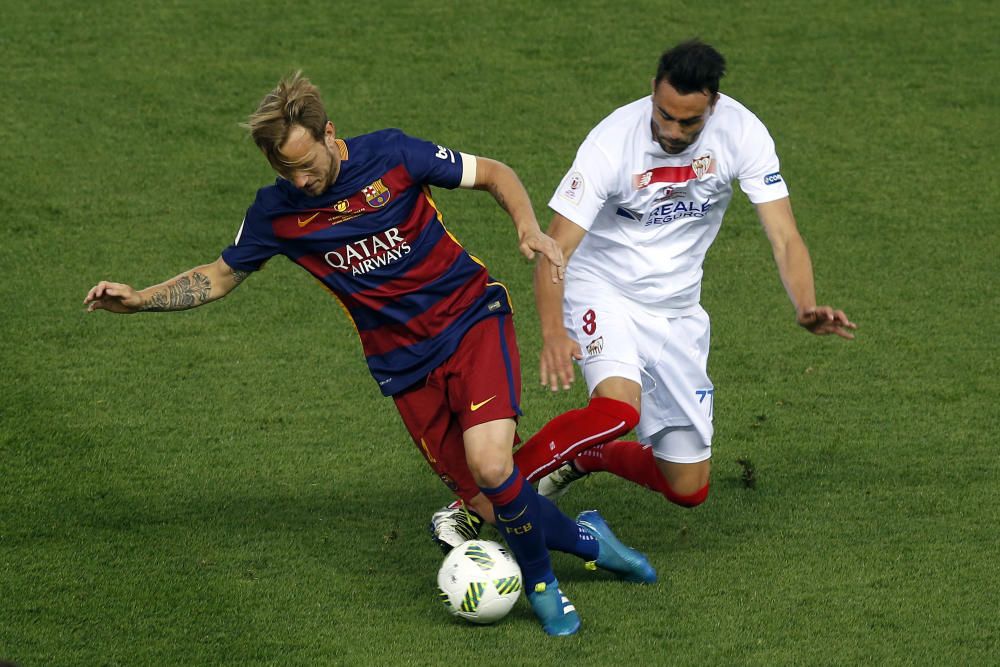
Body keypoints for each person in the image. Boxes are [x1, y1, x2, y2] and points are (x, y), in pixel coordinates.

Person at [84, 72, 656, 636]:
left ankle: (541, 586)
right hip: (403, 367)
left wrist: (528, 227)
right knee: (488, 503)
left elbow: (494, 174)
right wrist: (140, 300)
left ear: (331, 134)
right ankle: (591, 541)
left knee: (491, 463)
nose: (303, 181)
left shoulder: (392, 155)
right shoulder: (276, 214)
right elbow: (218, 277)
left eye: (309, 164)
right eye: (288, 171)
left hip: (470, 322)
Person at [431, 39, 855, 542]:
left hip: (677, 312)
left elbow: (784, 235)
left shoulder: (743, 133)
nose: (672, 132)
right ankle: (477, 503)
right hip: (600, 288)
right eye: (664, 116)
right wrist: (551, 333)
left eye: (688, 123)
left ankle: (593, 454)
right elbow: (553, 248)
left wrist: (804, 305)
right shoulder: (612, 143)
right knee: (619, 408)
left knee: (688, 487)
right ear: (652, 92)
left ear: (712, 106)